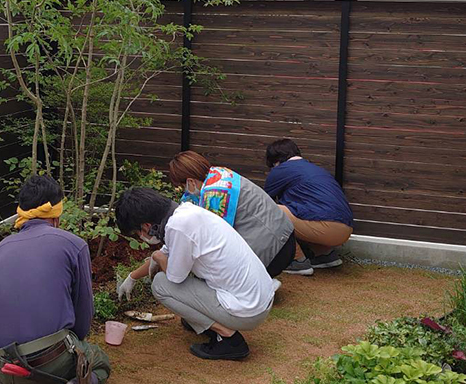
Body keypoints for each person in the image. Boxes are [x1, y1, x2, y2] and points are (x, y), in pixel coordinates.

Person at [0, 175, 111, 384]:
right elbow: (83, 310)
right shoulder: (73, 245)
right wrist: (79, 344)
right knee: (100, 362)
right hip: (45, 364)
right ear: (56, 212)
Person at [115, 187, 277, 360]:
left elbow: (174, 277)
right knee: (170, 275)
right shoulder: (185, 214)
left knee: (161, 285)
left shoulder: (178, 228)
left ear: (146, 225)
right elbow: (166, 252)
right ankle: (206, 320)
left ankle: (229, 338)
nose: (140, 236)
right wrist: (132, 277)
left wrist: (157, 257)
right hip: (260, 298)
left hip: (248, 311)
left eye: (137, 232)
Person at [166, 150, 296, 278]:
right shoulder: (219, 173)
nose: (183, 191)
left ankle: (261, 281)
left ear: (190, 182)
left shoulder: (214, 195)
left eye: (182, 186)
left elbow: (214, 240)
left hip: (273, 250)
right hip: (285, 237)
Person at [263, 138, 354, 276]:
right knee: (303, 210)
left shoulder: (280, 170)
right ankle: (324, 255)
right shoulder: (316, 169)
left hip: (324, 227)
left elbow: (262, 203)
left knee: (270, 210)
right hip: (346, 228)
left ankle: (297, 261)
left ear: (275, 161)